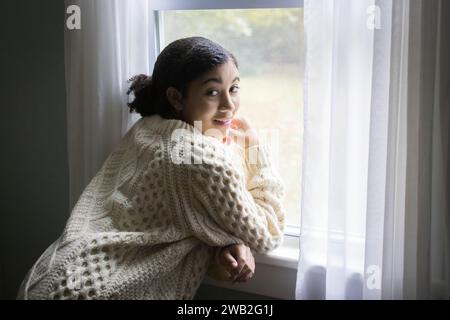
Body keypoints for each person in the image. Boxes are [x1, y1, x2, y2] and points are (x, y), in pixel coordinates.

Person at [17, 36, 286, 300]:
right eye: (212, 92)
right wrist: (254, 147)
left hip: (50, 277)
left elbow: (183, 218)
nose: (229, 105)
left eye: (234, 88)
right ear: (176, 97)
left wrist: (226, 241)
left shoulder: (148, 128)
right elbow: (267, 233)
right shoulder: (201, 160)